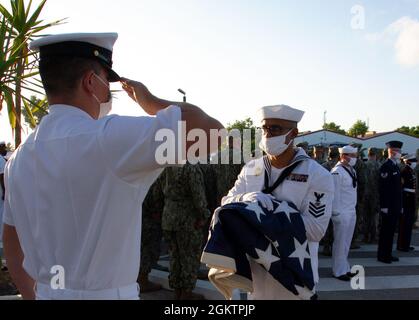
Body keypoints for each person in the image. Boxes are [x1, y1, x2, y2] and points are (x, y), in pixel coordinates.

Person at [2, 32, 223, 300]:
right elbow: (213, 133)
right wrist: (150, 102)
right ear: (90, 82)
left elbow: (13, 247)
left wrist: (34, 296)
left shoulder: (18, 158)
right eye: (107, 81)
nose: (108, 91)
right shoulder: (107, 140)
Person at [222, 105, 334, 299]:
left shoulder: (317, 175)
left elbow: (316, 229)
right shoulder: (251, 168)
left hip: (295, 272)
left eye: (275, 129)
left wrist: (266, 215)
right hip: (256, 270)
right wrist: (244, 199)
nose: (268, 134)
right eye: (264, 129)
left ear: (293, 134)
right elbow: (226, 204)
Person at [161, 163, 211, 300]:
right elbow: (198, 195)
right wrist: (204, 215)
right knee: (189, 256)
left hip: (169, 216)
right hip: (187, 219)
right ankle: (186, 293)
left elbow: (159, 190)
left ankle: (177, 291)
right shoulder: (191, 167)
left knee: (175, 256)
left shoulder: (167, 166)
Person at [330, 146, 359, 281]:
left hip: (351, 210)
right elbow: (334, 194)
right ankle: (338, 271)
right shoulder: (337, 172)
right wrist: (335, 213)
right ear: (343, 156)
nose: (355, 158)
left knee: (346, 242)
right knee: (340, 242)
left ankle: (345, 268)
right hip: (341, 212)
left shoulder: (351, 170)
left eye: (355, 155)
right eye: (352, 155)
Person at [377, 141, 403, 264]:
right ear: (391, 151)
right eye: (398, 151)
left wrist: (400, 205)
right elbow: (384, 189)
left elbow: (398, 188)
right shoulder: (386, 166)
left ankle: (388, 253)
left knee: (391, 231)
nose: (400, 153)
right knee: (386, 231)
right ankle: (383, 255)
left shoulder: (395, 166)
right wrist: (384, 206)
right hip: (388, 206)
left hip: (395, 205)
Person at [137, 174, 165, 293]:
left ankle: (141, 278)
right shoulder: (151, 177)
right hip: (150, 218)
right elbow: (152, 196)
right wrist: (156, 211)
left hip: (143, 216)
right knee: (148, 250)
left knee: (143, 248)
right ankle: (143, 280)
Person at [320, 146, 340, 256]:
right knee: (336, 224)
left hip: (325, 198)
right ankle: (334, 247)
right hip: (338, 199)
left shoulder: (323, 166)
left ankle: (326, 246)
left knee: (327, 223)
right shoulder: (341, 167)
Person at [397, 154, 417, 252]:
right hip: (406, 199)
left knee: (409, 223)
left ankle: (406, 244)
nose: (415, 163)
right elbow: (401, 188)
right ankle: (401, 245)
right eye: (413, 161)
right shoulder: (404, 171)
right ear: (408, 162)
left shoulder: (411, 171)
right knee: (404, 224)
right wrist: (402, 204)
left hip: (411, 198)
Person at [363, 148, 380, 243]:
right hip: (375, 195)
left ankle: (366, 236)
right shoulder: (379, 165)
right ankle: (373, 236)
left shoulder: (364, 165)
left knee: (366, 216)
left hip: (365, 194)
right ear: (376, 154)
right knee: (374, 216)